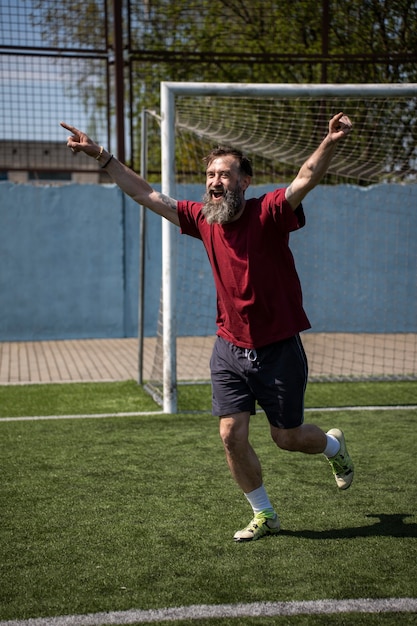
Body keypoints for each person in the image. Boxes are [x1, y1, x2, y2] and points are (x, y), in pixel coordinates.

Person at [61, 113, 354, 542]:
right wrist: (101, 155)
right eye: (211, 174)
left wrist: (330, 141)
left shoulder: (269, 212)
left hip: (277, 348)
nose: (215, 181)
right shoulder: (202, 218)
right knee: (230, 435)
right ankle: (265, 514)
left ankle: (333, 447)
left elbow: (305, 178)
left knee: (286, 437)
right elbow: (145, 193)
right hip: (229, 347)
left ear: (244, 182)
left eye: (225, 174)